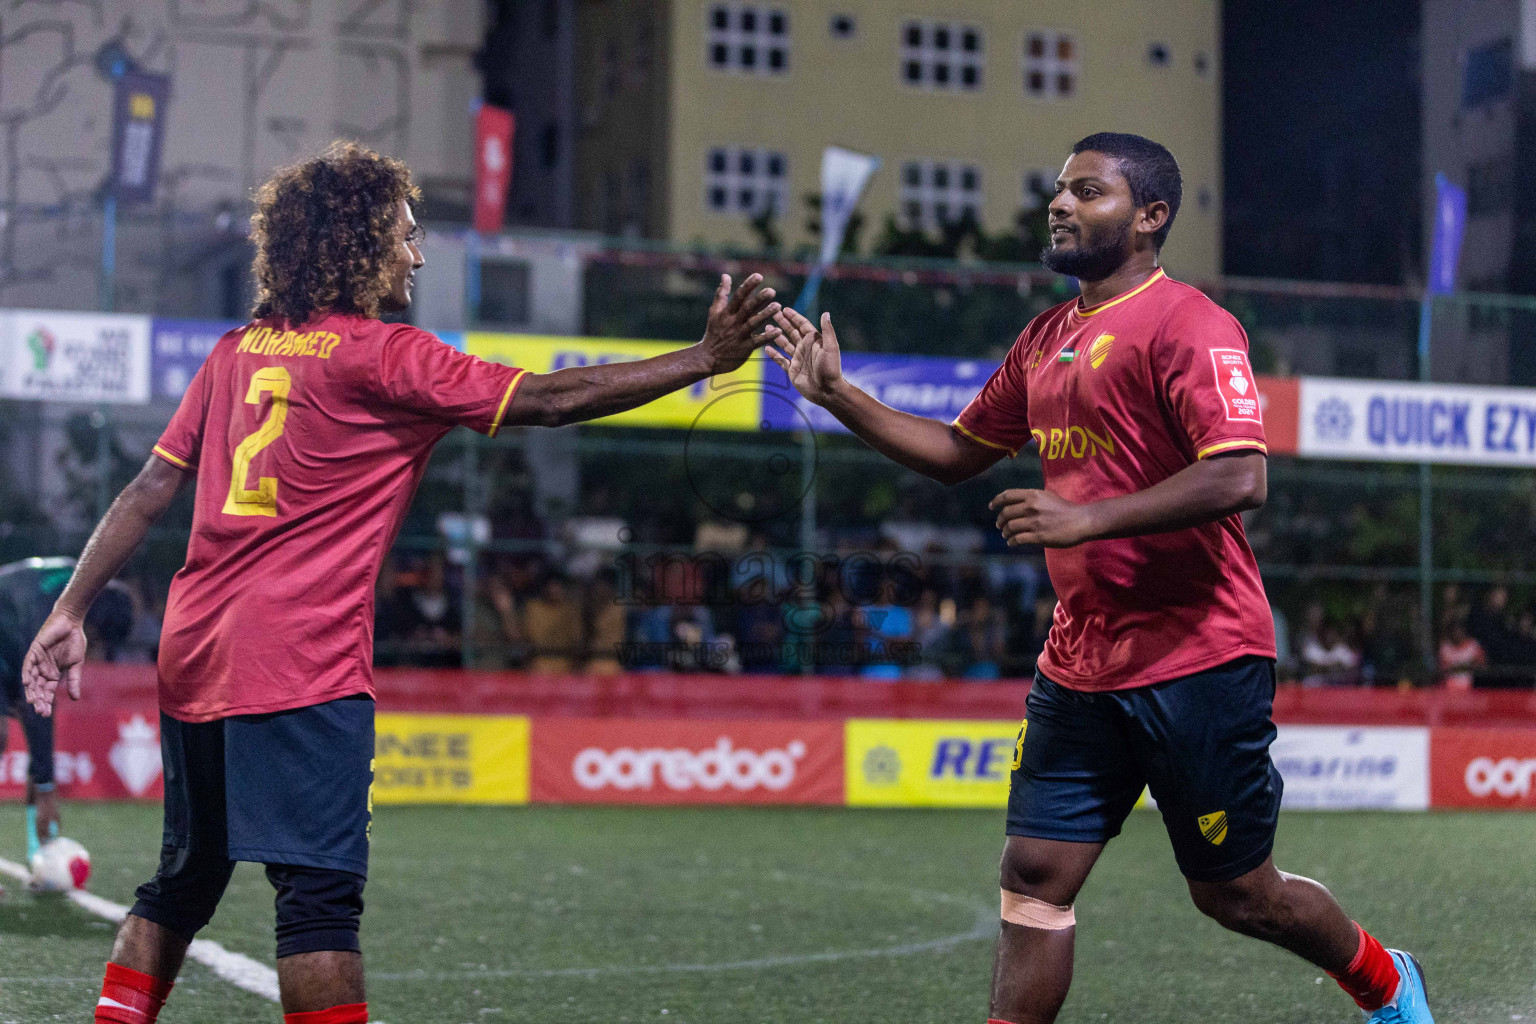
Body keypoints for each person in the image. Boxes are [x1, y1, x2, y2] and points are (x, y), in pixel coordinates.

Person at [21, 141, 780, 1024]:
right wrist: (702, 359)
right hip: (299, 666)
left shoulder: (236, 351)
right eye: (407, 235)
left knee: (181, 889)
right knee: (317, 909)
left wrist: (70, 609)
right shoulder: (385, 357)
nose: (418, 254)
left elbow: (151, 488)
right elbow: (548, 399)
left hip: (194, 657)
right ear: (359, 241)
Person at [769, 132, 1431, 1024]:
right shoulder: (1045, 337)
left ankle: (1387, 983)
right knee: (1035, 879)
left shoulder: (1189, 323)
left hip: (1199, 657)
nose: (1061, 205)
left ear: (1150, 216)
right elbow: (960, 450)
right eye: (1059, 190)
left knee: (1238, 895)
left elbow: (1243, 474)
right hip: (1080, 665)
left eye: (1088, 192)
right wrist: (839, 397)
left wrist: (1087, 517)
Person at [0, 557, 72, 877]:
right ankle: (41, 842)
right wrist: (46, 791)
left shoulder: (67, 589)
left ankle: (39, 848)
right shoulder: (62, 608)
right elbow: (36, 709)